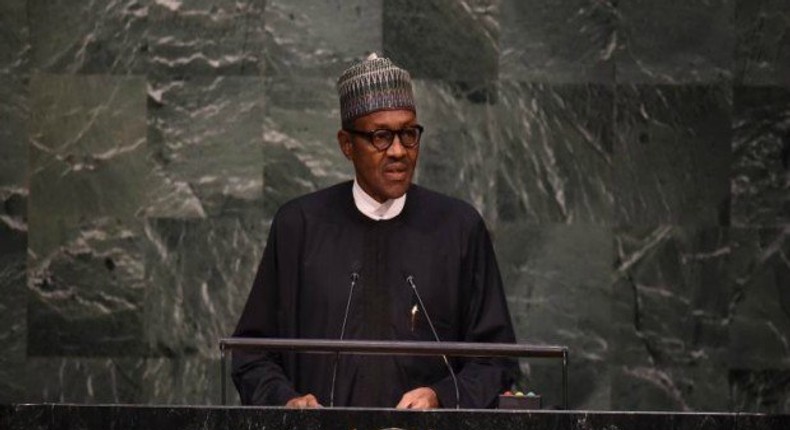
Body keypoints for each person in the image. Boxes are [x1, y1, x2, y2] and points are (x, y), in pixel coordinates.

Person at [232, 53, 518, 409]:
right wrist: (287, 402)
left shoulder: (458, 228)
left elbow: (497, 361)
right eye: (381, 136)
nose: (398, 151)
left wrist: (440, 397)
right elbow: (252, 355)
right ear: (346, 145)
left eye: (409, 134)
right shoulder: (300, 226)